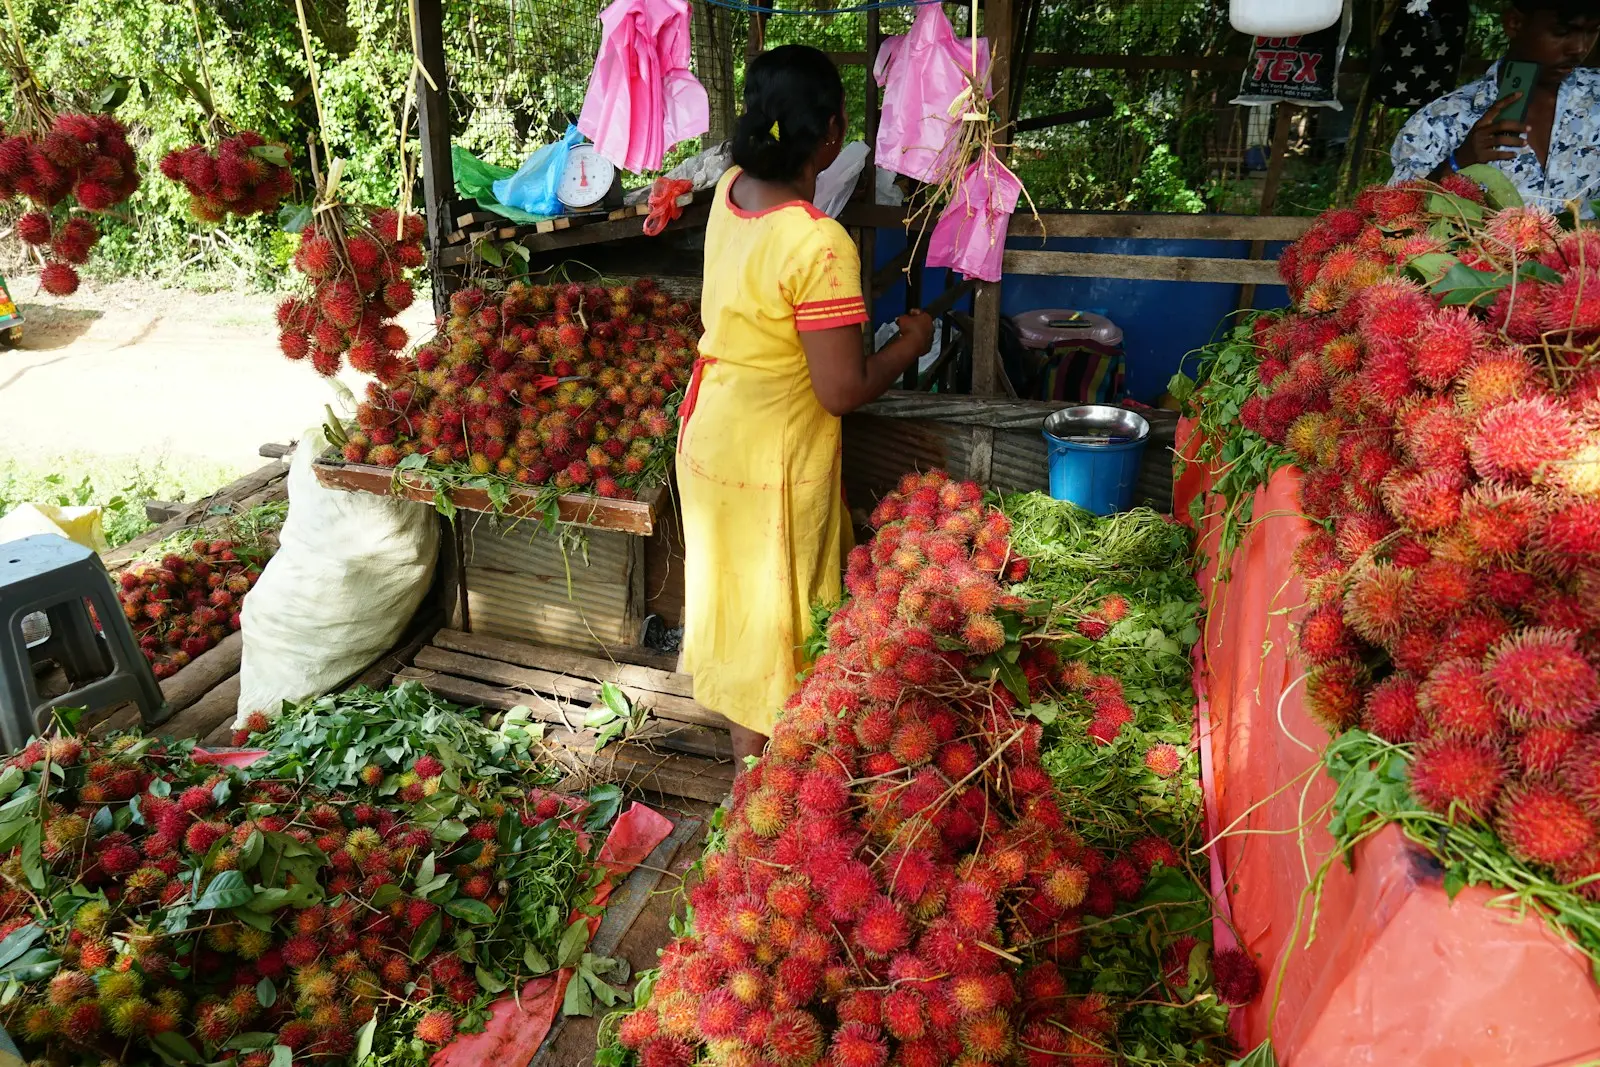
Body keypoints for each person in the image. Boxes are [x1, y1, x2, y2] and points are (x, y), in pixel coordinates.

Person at [676, 45, 934, 772]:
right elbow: (841, 390)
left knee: (741, 619)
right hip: (771, 462)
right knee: (777, 628)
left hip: (711, 440)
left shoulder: (729, 190)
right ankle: (763, 796)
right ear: (830, 134)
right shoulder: (819, 244)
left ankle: (747, 771)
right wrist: (908, 346)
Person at [1389, 0, 1600, 214]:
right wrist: (1457, 163)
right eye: (1561, 32)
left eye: (1593, 31)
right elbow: (1395, 218)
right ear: (1514, 23)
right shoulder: (1438, 123)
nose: (1579, 48)